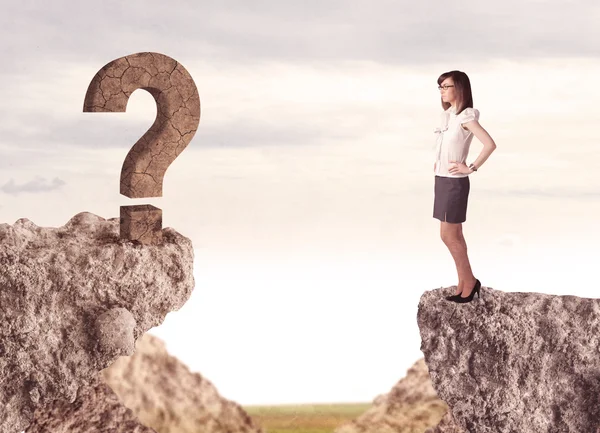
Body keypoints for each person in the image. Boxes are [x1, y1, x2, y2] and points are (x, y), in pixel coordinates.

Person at [432, 70, 497, 303]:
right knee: (454, 235)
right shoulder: (448, 116)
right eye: (439, 86)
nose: (441, 90)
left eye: (446, 86)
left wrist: (470, 167)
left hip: (453, 183)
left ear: (459, 88)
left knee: (448, 235)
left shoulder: (465, 117)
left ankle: (469, 281)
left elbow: (489, 144)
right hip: (441, 180)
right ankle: (463, 282)